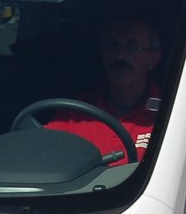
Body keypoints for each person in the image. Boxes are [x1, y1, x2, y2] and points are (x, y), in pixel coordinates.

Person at [45, 16, 164, 164]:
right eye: (112, 46)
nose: (120, 56)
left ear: (153, 58)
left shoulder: (169, 113)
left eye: (132, 47)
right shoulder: (76, 112)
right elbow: (44, 153)